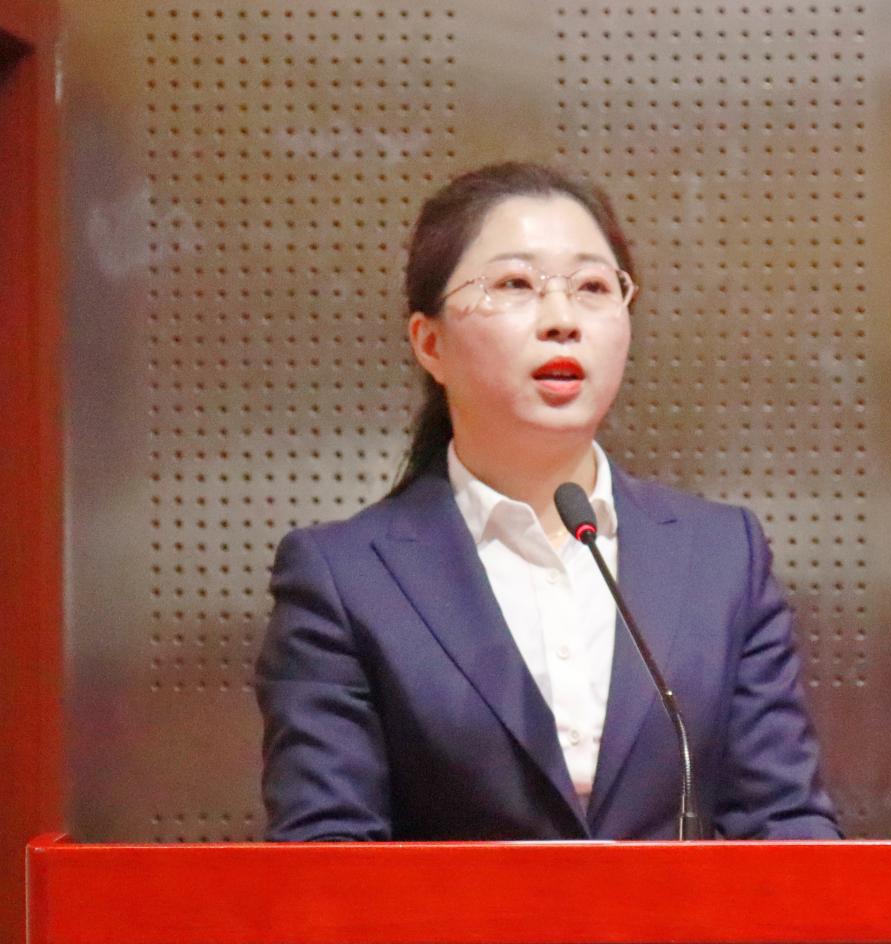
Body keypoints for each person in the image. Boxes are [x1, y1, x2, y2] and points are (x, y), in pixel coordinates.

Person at [256, 161, 841, 841]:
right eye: (516, 285)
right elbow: (328, 855)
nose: (562, 320)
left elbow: (784, 824)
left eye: (593, 287)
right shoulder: (345, 578)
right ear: (430, 343)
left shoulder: (720, 555)